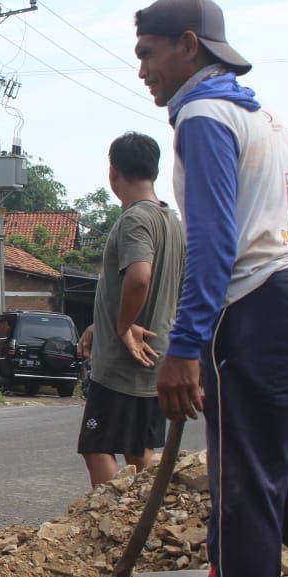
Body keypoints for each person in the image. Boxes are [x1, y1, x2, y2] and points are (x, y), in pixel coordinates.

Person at [132, 0, 288, 577]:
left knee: (244, 504)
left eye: (148, 52)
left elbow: (213, 245)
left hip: (259, 313)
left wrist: (184, 346)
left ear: (189, 46)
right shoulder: (263, 116)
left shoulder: (204, 118)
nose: (141, 68)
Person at [76, 132, 184, 487]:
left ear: (113, 172)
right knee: (138, 451)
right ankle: (138, 527)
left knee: (97, 445)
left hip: (122, 364)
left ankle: (113, 529)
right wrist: (101, 325)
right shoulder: (173, 223)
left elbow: (139, 278)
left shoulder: (135, 219)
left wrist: (122, 328)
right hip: (157, 357)